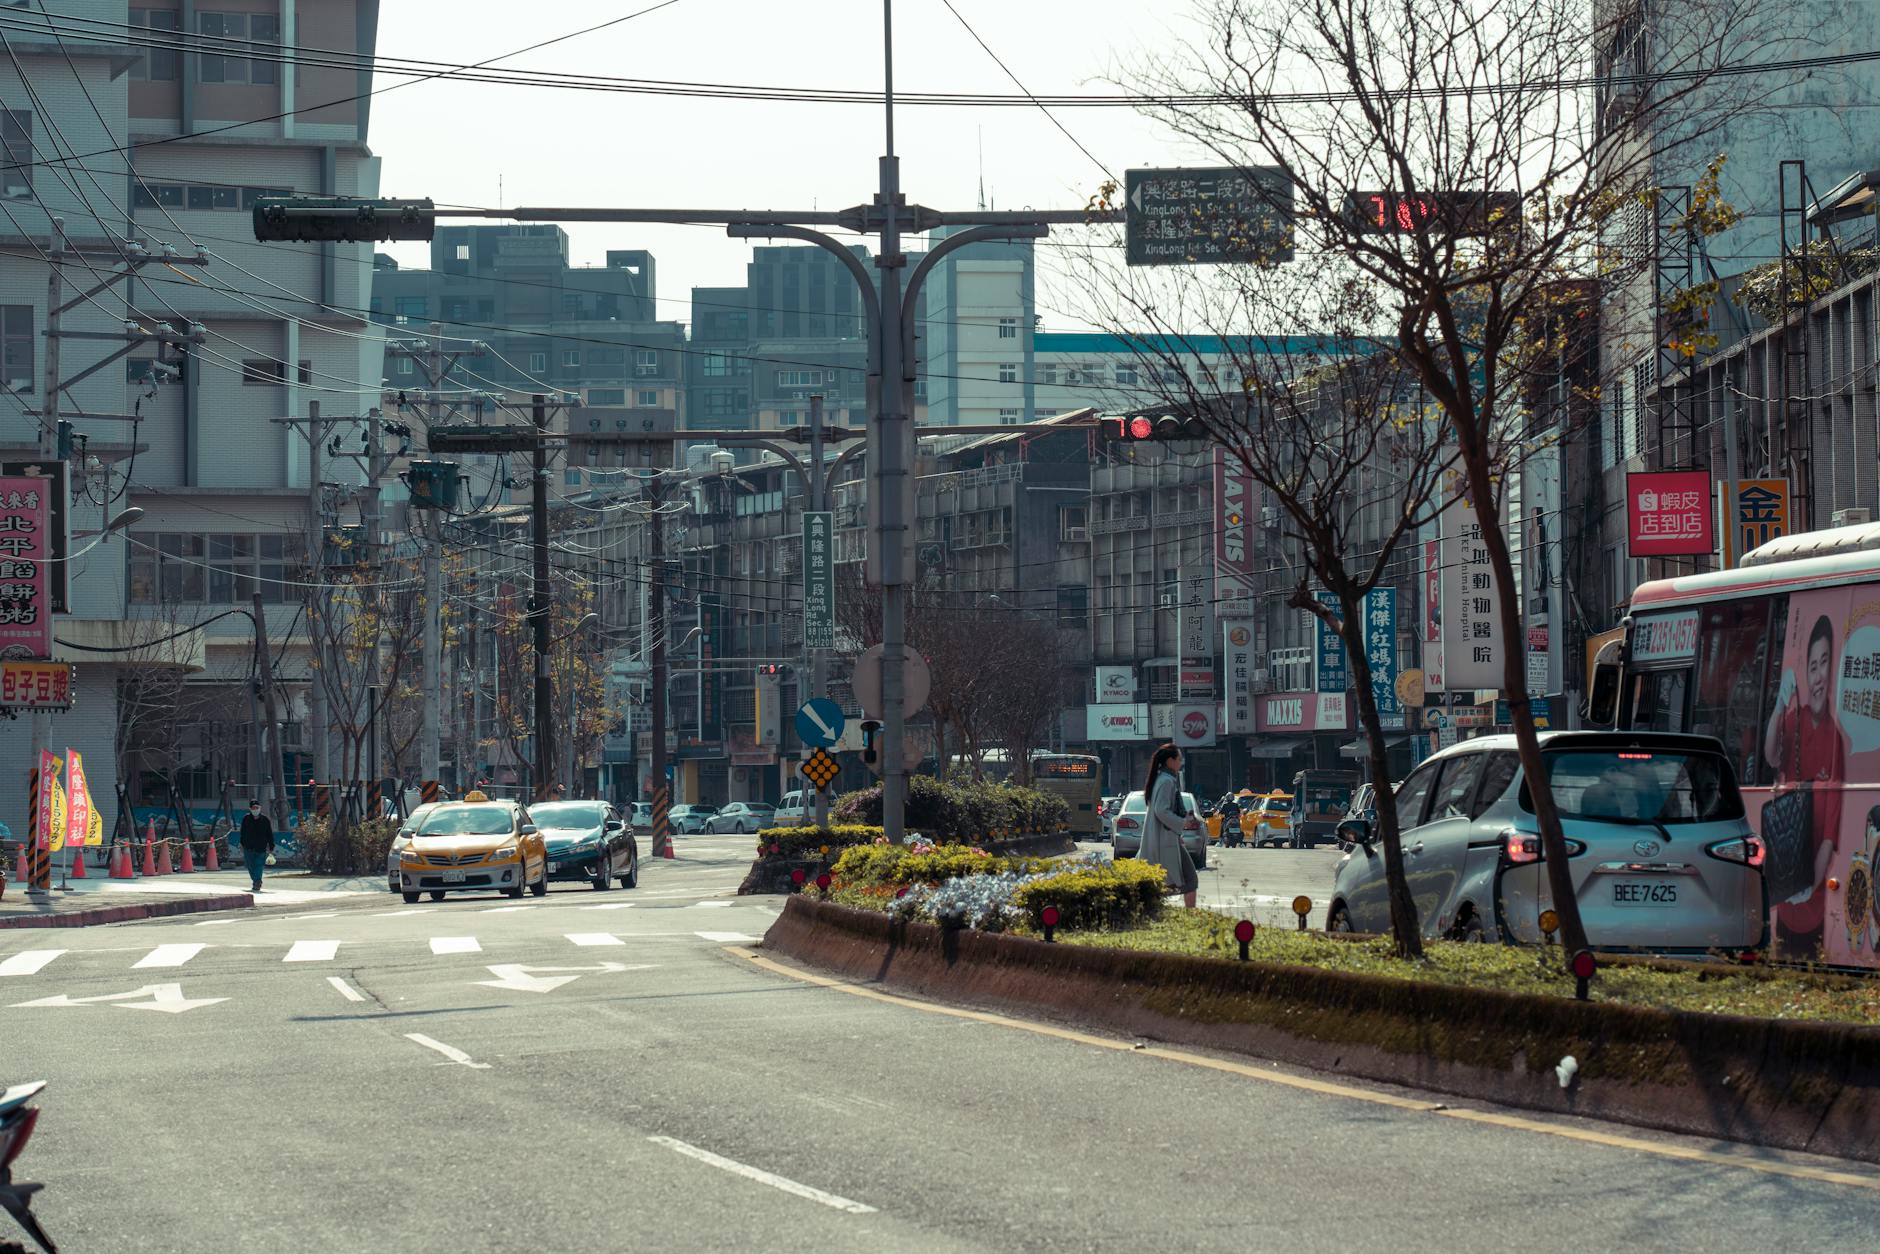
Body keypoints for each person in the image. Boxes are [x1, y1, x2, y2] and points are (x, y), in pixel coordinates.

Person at [1762, 613, 1848, 957]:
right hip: (1785, 901)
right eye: (1812, 666)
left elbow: (1829, 834)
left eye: (1825, 663)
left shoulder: (1834, 738)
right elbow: (1771, 755)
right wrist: (1778, 707)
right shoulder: (1792, 721)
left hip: (1813, 905)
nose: (1818, 675)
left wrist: (1810, 885)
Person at [1139, 743, 1198, 909]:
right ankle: (1190, 917)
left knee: (1168, 882)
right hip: (1165, 839)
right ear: (1170, 761)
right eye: (1179, 759)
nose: (1181, 763)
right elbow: (1161, 810)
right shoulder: (1167, 781)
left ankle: (1155, 913)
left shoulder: (1161, 779)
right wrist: (1182, 823)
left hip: (1167, 838)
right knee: (1189, 880)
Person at [238, 800, 274, 893]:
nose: (255, 809)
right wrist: (242, 843)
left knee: (259, 865)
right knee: (250, 866)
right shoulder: (246, 819)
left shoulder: (265, 820)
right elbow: (242, 832)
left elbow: (269, 833)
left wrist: (271, 846)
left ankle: (257, 882)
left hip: (261, 847)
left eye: (257, 808)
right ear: (250, 809)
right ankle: (256, 880)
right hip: (248, 847)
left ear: (260, 808)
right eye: (253, 808)